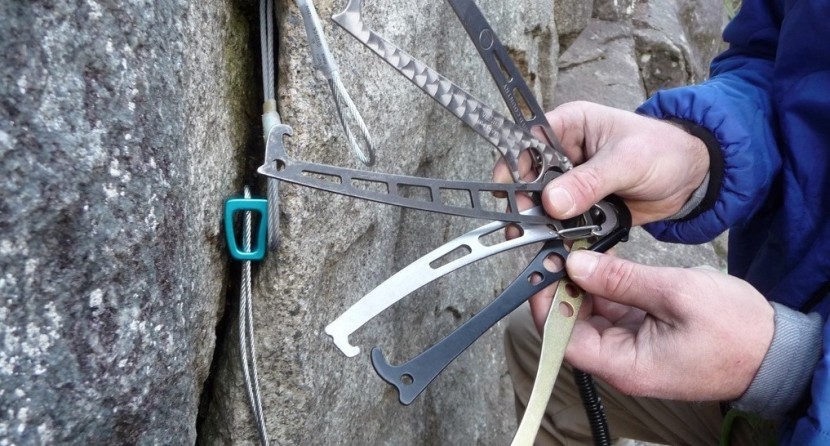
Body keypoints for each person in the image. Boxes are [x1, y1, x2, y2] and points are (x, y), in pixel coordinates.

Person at [495, 0, 830, 444]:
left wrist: (783, 366)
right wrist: (702, 155)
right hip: (769, 344)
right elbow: (777, 63)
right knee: (538, 344)